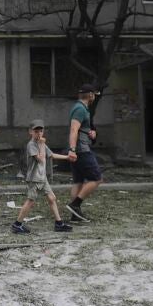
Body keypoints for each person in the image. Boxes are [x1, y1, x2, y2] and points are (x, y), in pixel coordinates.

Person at [11, 120, 73, 234]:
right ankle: (17, 224)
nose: (39, 133)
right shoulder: (31, 145)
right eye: (36, 131)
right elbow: (40, 159)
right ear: (30, 132)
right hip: (34, 178)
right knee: (30, 201)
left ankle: (59, 223)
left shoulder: (41, 143)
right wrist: (41, 144)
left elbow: (51, 155)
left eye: (41, 131)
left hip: (42, 178)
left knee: (52, 198)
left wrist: (67, 157)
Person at [66, 83, 102, 222]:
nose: (94, 97)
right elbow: (74, 130)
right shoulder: (80, 109)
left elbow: (80, 129)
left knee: (78, 181)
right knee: (97, 179)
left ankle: (75, 215)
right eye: (94, 95)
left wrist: (91, 133)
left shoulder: (81, 108)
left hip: (79, 148)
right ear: (91, 95)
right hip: (81, 149)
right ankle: (75, 205)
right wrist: (72, 149)